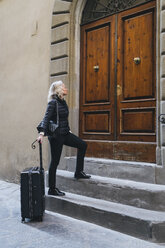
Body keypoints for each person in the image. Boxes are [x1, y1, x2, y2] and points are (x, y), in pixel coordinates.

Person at [37, 81, 91, 196]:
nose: (66, 88)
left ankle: (78, 172)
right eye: (64, 87)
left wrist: (68, 129)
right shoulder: (53, 103)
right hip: (56, 136)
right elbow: (46, 118)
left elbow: (63, 119)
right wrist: (41, 134)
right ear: (59, 90)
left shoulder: (63, 102)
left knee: (82, 145)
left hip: (65, 134)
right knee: (55, 162)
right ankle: (52, 189)